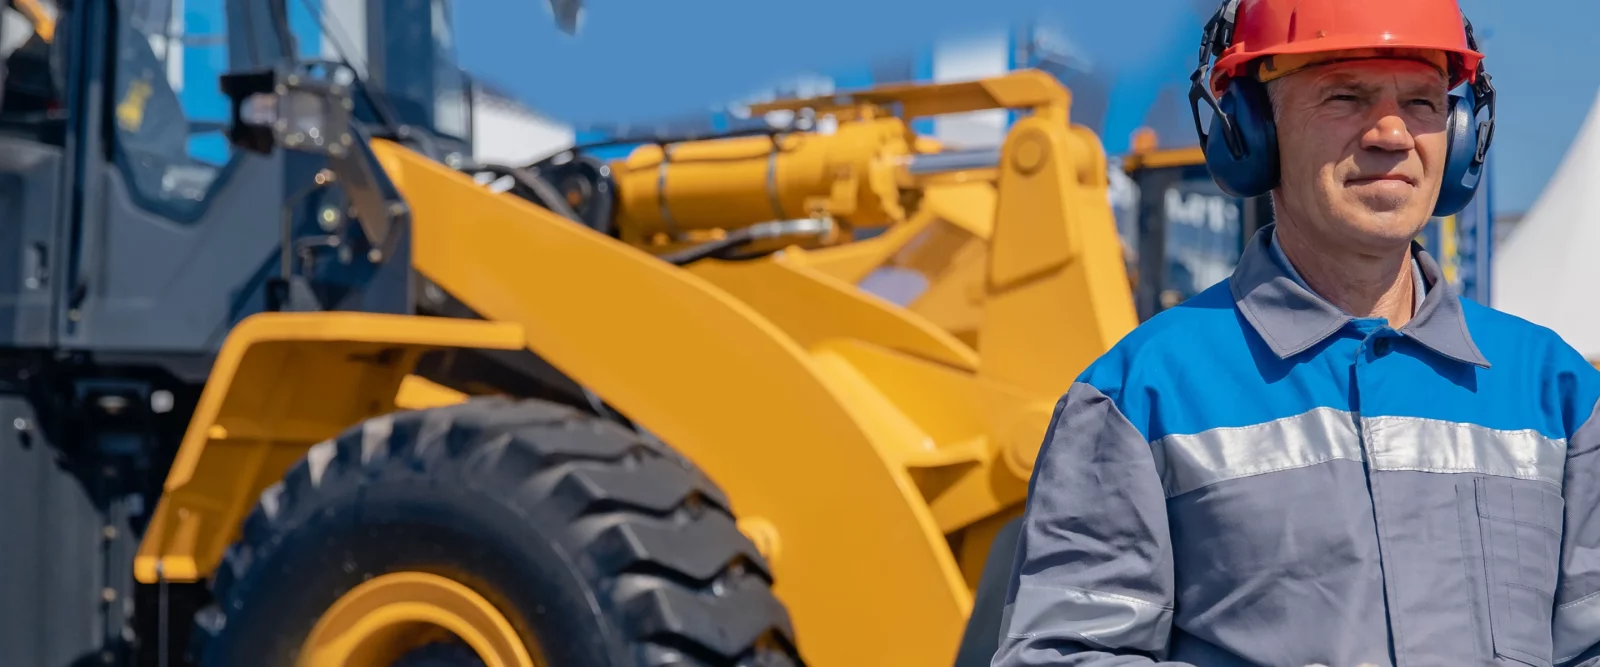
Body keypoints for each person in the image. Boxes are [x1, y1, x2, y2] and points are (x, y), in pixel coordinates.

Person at [990, 1, 1600, 665]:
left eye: (1423, 101)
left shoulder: (1560, 395)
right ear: (1252, 130)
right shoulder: (1137, 399)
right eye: (1347, 96)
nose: (1392, 134)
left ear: (1458, 137)